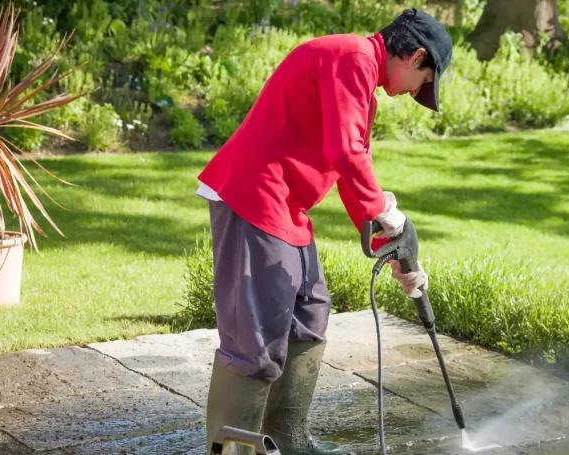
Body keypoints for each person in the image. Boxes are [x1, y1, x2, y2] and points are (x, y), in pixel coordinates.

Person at [192, 8, 453, 455]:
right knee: (255, 338)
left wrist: (386, 243)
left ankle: (288, 440)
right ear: (414, 56)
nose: (416, 93)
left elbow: (347, 165)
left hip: (285, 207)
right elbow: (346, 152)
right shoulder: (350, 57)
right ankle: (231, 451)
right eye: (424, 82)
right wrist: (385, 211)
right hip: (254, 197)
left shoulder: (361, 82)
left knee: (309, 312)